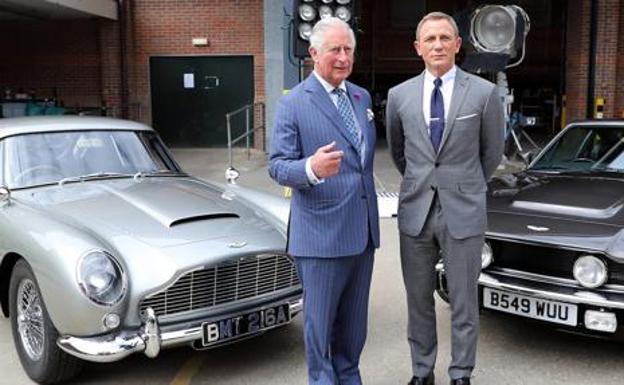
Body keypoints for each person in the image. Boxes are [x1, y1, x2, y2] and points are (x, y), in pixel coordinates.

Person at [385, 11, 504, 385]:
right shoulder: (398, 95)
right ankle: (422, 372)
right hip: (416, 212)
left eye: (444, 38)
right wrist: (425, 182)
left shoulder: (483, 94)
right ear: (418, 48)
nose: (437, 45)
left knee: (464, 303)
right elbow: (399, 152)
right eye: (430, 39)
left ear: (457, 44)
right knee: (418, 301)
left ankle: (461, 373)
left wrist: (464, 185)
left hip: (464, 211)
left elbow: (491, 154)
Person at [268, 17, 380, 385]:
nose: (343, 57)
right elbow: (278, 166)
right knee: (321, 337)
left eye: (348, 49)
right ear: (314, 53)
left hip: (362, 236)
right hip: (320, 239)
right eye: (335, 49)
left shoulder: (361, 97)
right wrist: (311, 168)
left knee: (353, 333)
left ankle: (350, 379)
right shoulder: (294, 103)